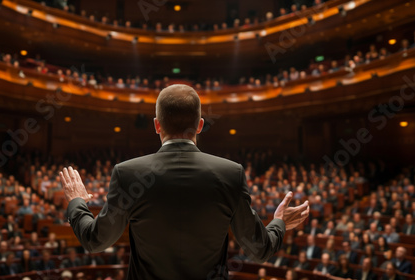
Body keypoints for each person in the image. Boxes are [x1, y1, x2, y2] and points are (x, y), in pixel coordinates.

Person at [61, 84, 310, 279]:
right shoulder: (230, 173)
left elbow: (94, 241)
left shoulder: (128, 174)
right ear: (200, 125)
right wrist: (279, 222)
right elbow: (259, 249)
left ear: (157, 125)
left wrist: (76, 201)